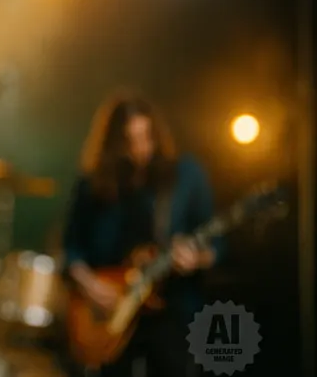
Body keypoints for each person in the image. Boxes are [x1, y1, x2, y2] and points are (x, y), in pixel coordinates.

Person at [62, 92, 224, 377]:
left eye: (146, 137)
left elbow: (219, 246)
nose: (139, 149)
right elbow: (70, 248)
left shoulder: (185, 176)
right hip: (109, 316)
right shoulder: (94, 184)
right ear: (114, 143)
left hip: (171, 310)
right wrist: (90, 285)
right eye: (129, 140)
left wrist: (196, 258)